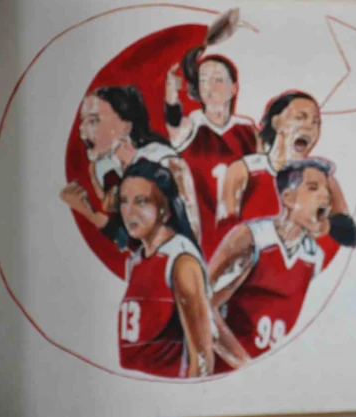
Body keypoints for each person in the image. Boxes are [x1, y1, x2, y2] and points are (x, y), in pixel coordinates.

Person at [206, 158, 334, 372]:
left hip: (279, 374)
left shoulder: (314, 257)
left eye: (327, 190)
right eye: (313, 188)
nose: (326, 196)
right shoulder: (251, 238)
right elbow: (202, 307)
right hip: (230, 372)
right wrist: (245, 365)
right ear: (288, 198)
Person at [60, 85, 200, 249]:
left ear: (126, 125)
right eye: (82, 122)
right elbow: (128, 241)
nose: (82, 131)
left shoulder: (164, 161)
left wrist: (90, 213)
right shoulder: (105, 172)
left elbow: (191, 232)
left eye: (94, 121)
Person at [217, 90, 356, 250]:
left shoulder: (323, 178)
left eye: (316, 123)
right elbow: (224, 230)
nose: (309, 127)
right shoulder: (244, 170)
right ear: (276, 122)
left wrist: (321, 225)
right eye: (300, 118)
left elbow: (350, 235)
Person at [116, 159, 213, 378]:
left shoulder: (181, 260)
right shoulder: (136, 261)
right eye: (123, 201)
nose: (129, 212)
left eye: (141, 202)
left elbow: (202, 356)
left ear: (165, 210)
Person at [164, 46, 258, 260]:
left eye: (217, 80)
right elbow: (174, 127)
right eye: (203, 80)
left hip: (238, 228)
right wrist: (171, 94)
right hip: (197, 227)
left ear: (233, 88)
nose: (209, 87)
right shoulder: (193, 124)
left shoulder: (247, 129)